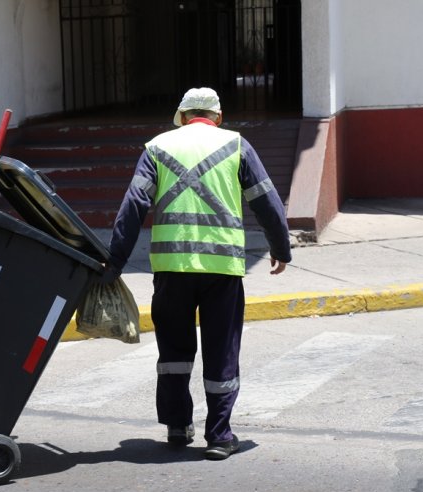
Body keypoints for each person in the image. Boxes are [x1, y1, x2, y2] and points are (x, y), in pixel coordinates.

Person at [103, 87, 292, 460]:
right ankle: (219, 436)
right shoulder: (237, 145)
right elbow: (266, 201)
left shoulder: (157, 148)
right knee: (221, 350)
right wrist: (280, 248)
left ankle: (177, 425)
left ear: (183, 116)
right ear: (217, 117)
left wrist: (115, 262)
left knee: (174, 350)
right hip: (222, 270)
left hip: (172, 269)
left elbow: (133, 206)